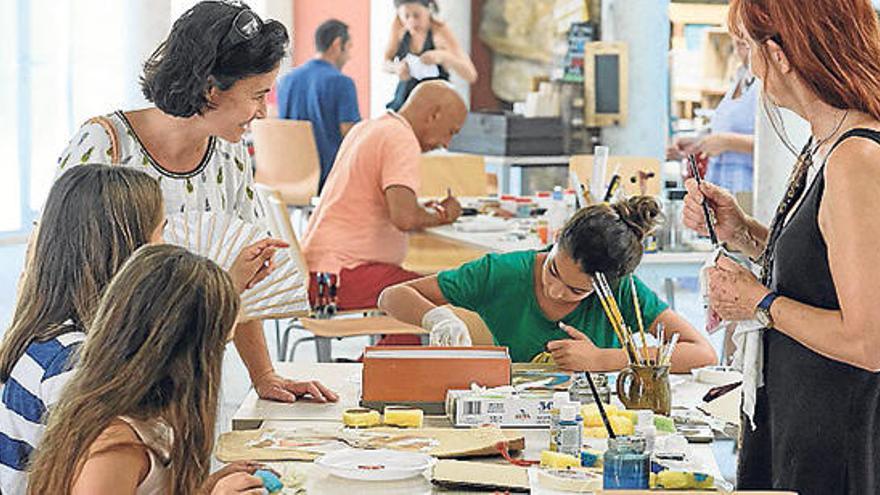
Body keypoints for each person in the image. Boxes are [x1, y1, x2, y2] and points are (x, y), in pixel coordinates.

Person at [56, 1, 337, 404]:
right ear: (210, 89)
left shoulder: (230, 153)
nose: (263, 111)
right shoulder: (104, 144)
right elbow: (51, 264)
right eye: (257, 95)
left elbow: (245, 278)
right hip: (100, 376)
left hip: (190, 371)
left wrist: (265, 376)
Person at [684, 1, 880, 492]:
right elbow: (826, 271)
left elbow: (869, 341)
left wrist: (759, 302)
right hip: (799, 420)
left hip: (839, 442)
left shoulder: (855, 158)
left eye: (749, 48)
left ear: (780, 52)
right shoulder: (827, 143)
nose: (750, 68)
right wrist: (745, 233)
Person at [0, 165, 281, 495]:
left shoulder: (54, 337)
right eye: (160, 231)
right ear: (127, 252)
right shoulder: (74, 371)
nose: (169, 242)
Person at [26, 244, 274, 494]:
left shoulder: (151, 421)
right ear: (186, 356)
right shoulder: (115, 446)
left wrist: (206, 488)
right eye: (218, 348)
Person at [379, 197, 717, 371]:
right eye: (554, 271)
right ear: (556, 240)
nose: (556, 291)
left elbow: (702, 353)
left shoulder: (622, 291)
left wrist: (605, 359)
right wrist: (437, 317)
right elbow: (391, 295)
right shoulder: (503, 272)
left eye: (576, 291)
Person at [302, 80, 466, 313]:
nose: (446, 144)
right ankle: (384, 351)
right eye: (451, 132)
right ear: (433, 115)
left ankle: (382, 350)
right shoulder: (401, 138)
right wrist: (443, 214)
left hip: (319, 275)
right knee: (436, 299)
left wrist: (421, 209)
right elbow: (404, 218)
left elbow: (392, 206)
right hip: (342, 276)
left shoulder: (368, 127)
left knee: (413, 297)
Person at [276, 19, 361, 191]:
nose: (350, 56)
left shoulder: (286, 81)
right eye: (349, 47)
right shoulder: (342, 83)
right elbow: (352, 135)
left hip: (289, 177)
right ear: (337, 44)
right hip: (330, 179)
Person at [670, 35, 758, 195]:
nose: (739, 51)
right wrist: (698, 143)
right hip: (723, 185)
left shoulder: (767, 87)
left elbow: (777, 147)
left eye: (744, 44)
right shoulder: (740, 78)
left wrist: (728, 142)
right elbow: (724, 127)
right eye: (736, 44)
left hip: (749, 189)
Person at [383, 0, 477, 111]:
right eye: (406, 16)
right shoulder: (399, 29)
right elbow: (384, 63)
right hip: (406, 98)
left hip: (435, 100)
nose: (412, 21)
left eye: (417, 15)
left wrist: (443, 56)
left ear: (428, 11)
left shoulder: (439, 32)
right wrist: (396, 67)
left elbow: (471, 75)